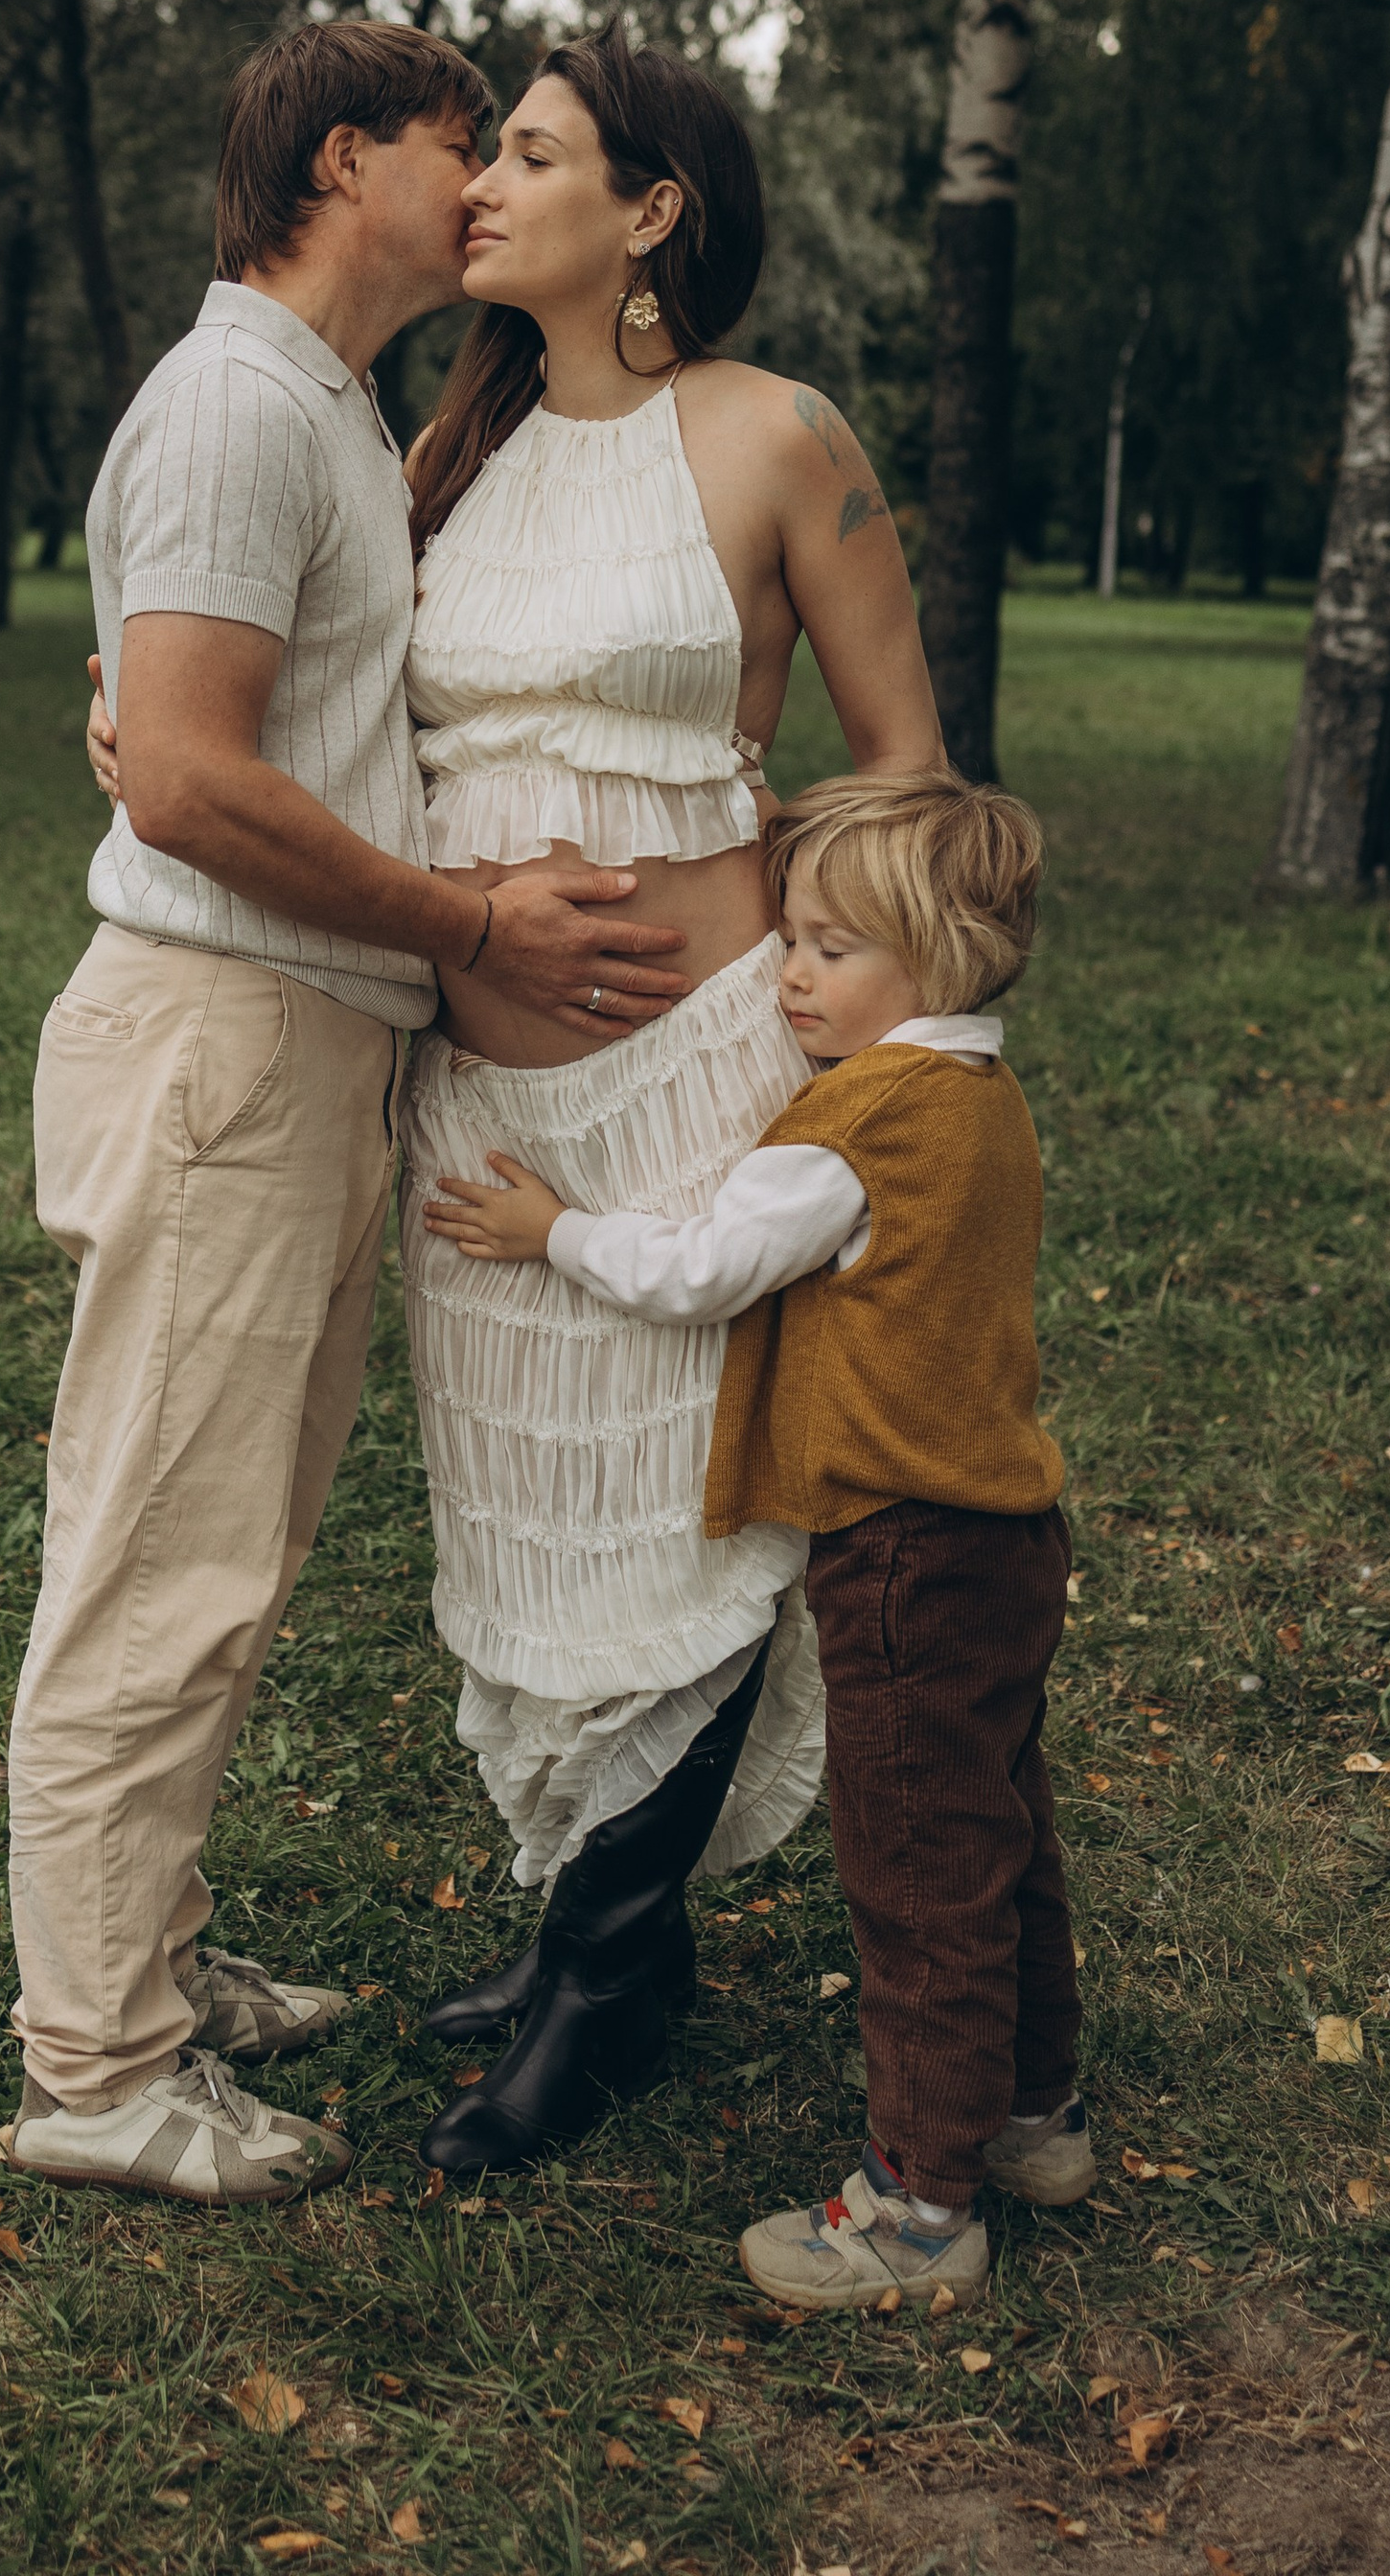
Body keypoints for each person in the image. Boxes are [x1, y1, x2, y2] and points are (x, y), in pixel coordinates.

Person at [10, 18, 696, 2214]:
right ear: (338, 161)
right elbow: (191, 777)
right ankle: (96, 2069)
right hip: (222, 1043)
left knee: (224, 1555)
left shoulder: (330, 410)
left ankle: (150, 1966)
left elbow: (231, 722)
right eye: (452, 139)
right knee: (157, 1570)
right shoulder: (235, 404)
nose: (479, 177)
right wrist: (465, 920)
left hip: (299, 1053)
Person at [391, 22, 945, 2178]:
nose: (481, 185)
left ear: (652, 212)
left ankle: (609, 1988)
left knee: (684, 1528)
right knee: (531, 1529)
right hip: (479, 1115)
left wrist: (857, 1020)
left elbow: (904, 769)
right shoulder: (445, 457)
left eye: (528, 154)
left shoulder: (775, 436)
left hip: (701, 1081)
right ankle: (589, 1937)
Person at [425, 765, 1094, 2301]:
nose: (789, 974)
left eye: (831, 949)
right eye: (790, 938)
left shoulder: (855, 1124)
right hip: (1005, 1534)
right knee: (1003, 1834)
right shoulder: (984, 1101)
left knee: (918, 1878)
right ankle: (1031, 2112)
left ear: (944, 960)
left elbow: (703, 1270)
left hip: (903, 1551)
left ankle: (919, 2209)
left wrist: (550, 1231)